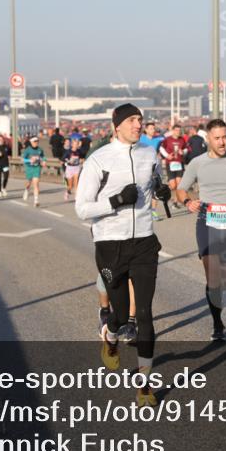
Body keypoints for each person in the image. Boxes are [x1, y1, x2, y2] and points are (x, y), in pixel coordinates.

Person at [75, 103, 172, 407]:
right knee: (118, 317)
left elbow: (156, 183)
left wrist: (162, 191)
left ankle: (144, 386)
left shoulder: (148, 153)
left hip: (144, 240)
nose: (138, 124)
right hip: (110, 244)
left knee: (143, 314)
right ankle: (110, 336)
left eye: (140, 120)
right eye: (132, 120)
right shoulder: (98, 160)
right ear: (117, 125)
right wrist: (115, 201)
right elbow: (82, 209)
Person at [176, 119, 226, 340]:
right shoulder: (197, 163)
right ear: (208, 139)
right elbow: (182, 189)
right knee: (213, 277)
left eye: (225, 137)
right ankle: (217, 323)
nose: (222, 142)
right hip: (206, 220)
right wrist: (187, 202)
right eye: (217, 138)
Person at [158, 124, 189, 210]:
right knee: (173, 185)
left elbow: (186, 148)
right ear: (173, 131)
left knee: (179, 184)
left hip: (179, 163)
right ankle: (165, 193)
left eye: (179, 131)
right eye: (176, 130)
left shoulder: (182, 139)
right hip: (170, 164)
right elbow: (161, 148)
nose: (178, 132)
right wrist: (167, 156)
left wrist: (183, 151)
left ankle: (176, 201)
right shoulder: (167, 140)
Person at [22, 135, 46, 207]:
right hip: (29, 168)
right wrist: (30, 160)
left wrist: (44, 161)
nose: (36, 143)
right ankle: (26, 190)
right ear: (31, 142)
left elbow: (43, 157)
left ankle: (36, 201)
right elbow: (23, 159)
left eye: (37, 141)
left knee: (36, 184)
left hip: (37, 167)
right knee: (28, 183)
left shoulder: (40, 149)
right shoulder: (27, 150)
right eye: (35, 141)